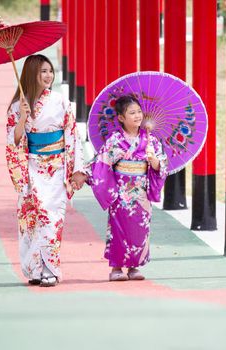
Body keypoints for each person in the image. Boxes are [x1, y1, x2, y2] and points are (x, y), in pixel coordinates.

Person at [5, 54, 86, 287]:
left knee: (52, 218)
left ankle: (50, 268)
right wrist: (22, 118)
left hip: (57, 167)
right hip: (31, 167)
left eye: (50, 71)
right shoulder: (17, 106)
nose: (49, 75)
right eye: (43, 71)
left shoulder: (60, 101)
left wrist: (77, 169)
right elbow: (14, 141)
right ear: (32, 74)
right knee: (32, 218)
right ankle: (34, 269)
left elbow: (72, 135)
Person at [84, 94, 168, 281]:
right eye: (132, 113)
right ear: (121, 118)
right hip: (121, 193)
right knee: (118, 230)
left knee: (140, 230)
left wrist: (154, 160)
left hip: (141, 193)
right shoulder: (115, 140)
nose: (138, 116)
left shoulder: (151, 141)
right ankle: (116, 268)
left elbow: (161, 166)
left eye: (139, 112)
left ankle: (134, 266)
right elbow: (102, 162)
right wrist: (84, 174)